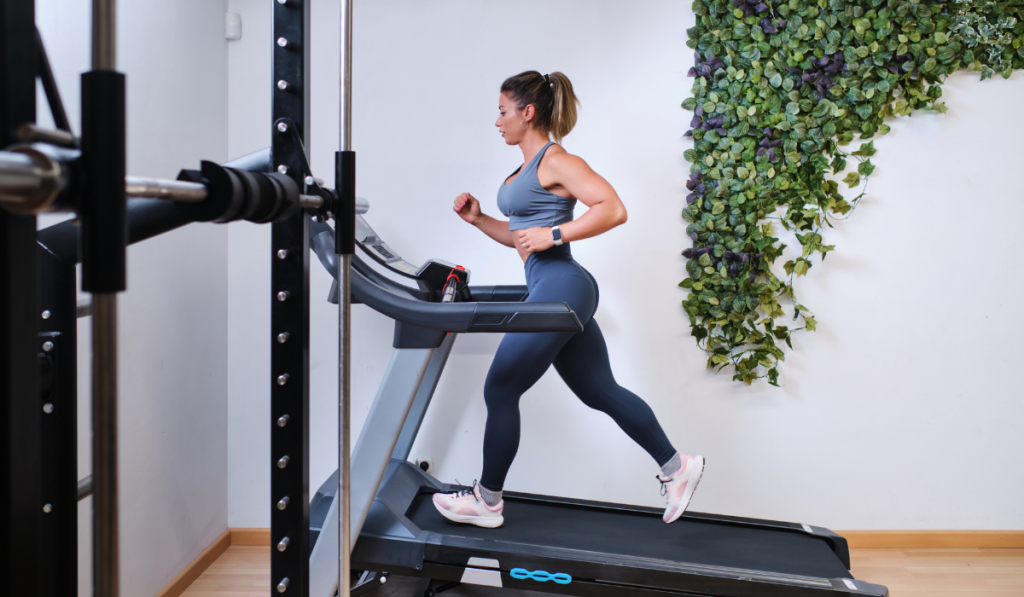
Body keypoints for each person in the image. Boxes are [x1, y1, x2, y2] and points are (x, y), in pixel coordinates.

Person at [431, 71, 703, 529]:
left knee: (500, 388)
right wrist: (480, 220)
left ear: (527, 112)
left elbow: (613, 208)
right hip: (554, 286)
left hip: (563, 285)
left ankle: (487, 500)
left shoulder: (556, 160)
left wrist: (553, 232)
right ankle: (679, 468)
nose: (497, 121)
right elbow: (524, 240)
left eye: (503, 111)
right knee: (599, 390)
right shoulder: (528, 168)